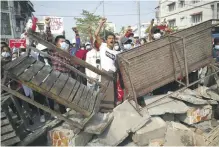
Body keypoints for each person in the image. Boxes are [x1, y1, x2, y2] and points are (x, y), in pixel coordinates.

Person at [95, 18, 124, 104]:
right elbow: (96, 34)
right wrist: (101, 24)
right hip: (105, 73)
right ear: (106, 40)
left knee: (114, 92)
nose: (111, 40)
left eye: (113, 38)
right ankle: (105, 109)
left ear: (115, 40)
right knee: (106, 92)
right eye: (109, 38)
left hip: (114, 74)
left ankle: (112, 108)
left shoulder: (116, 52)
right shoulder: (103, 46)